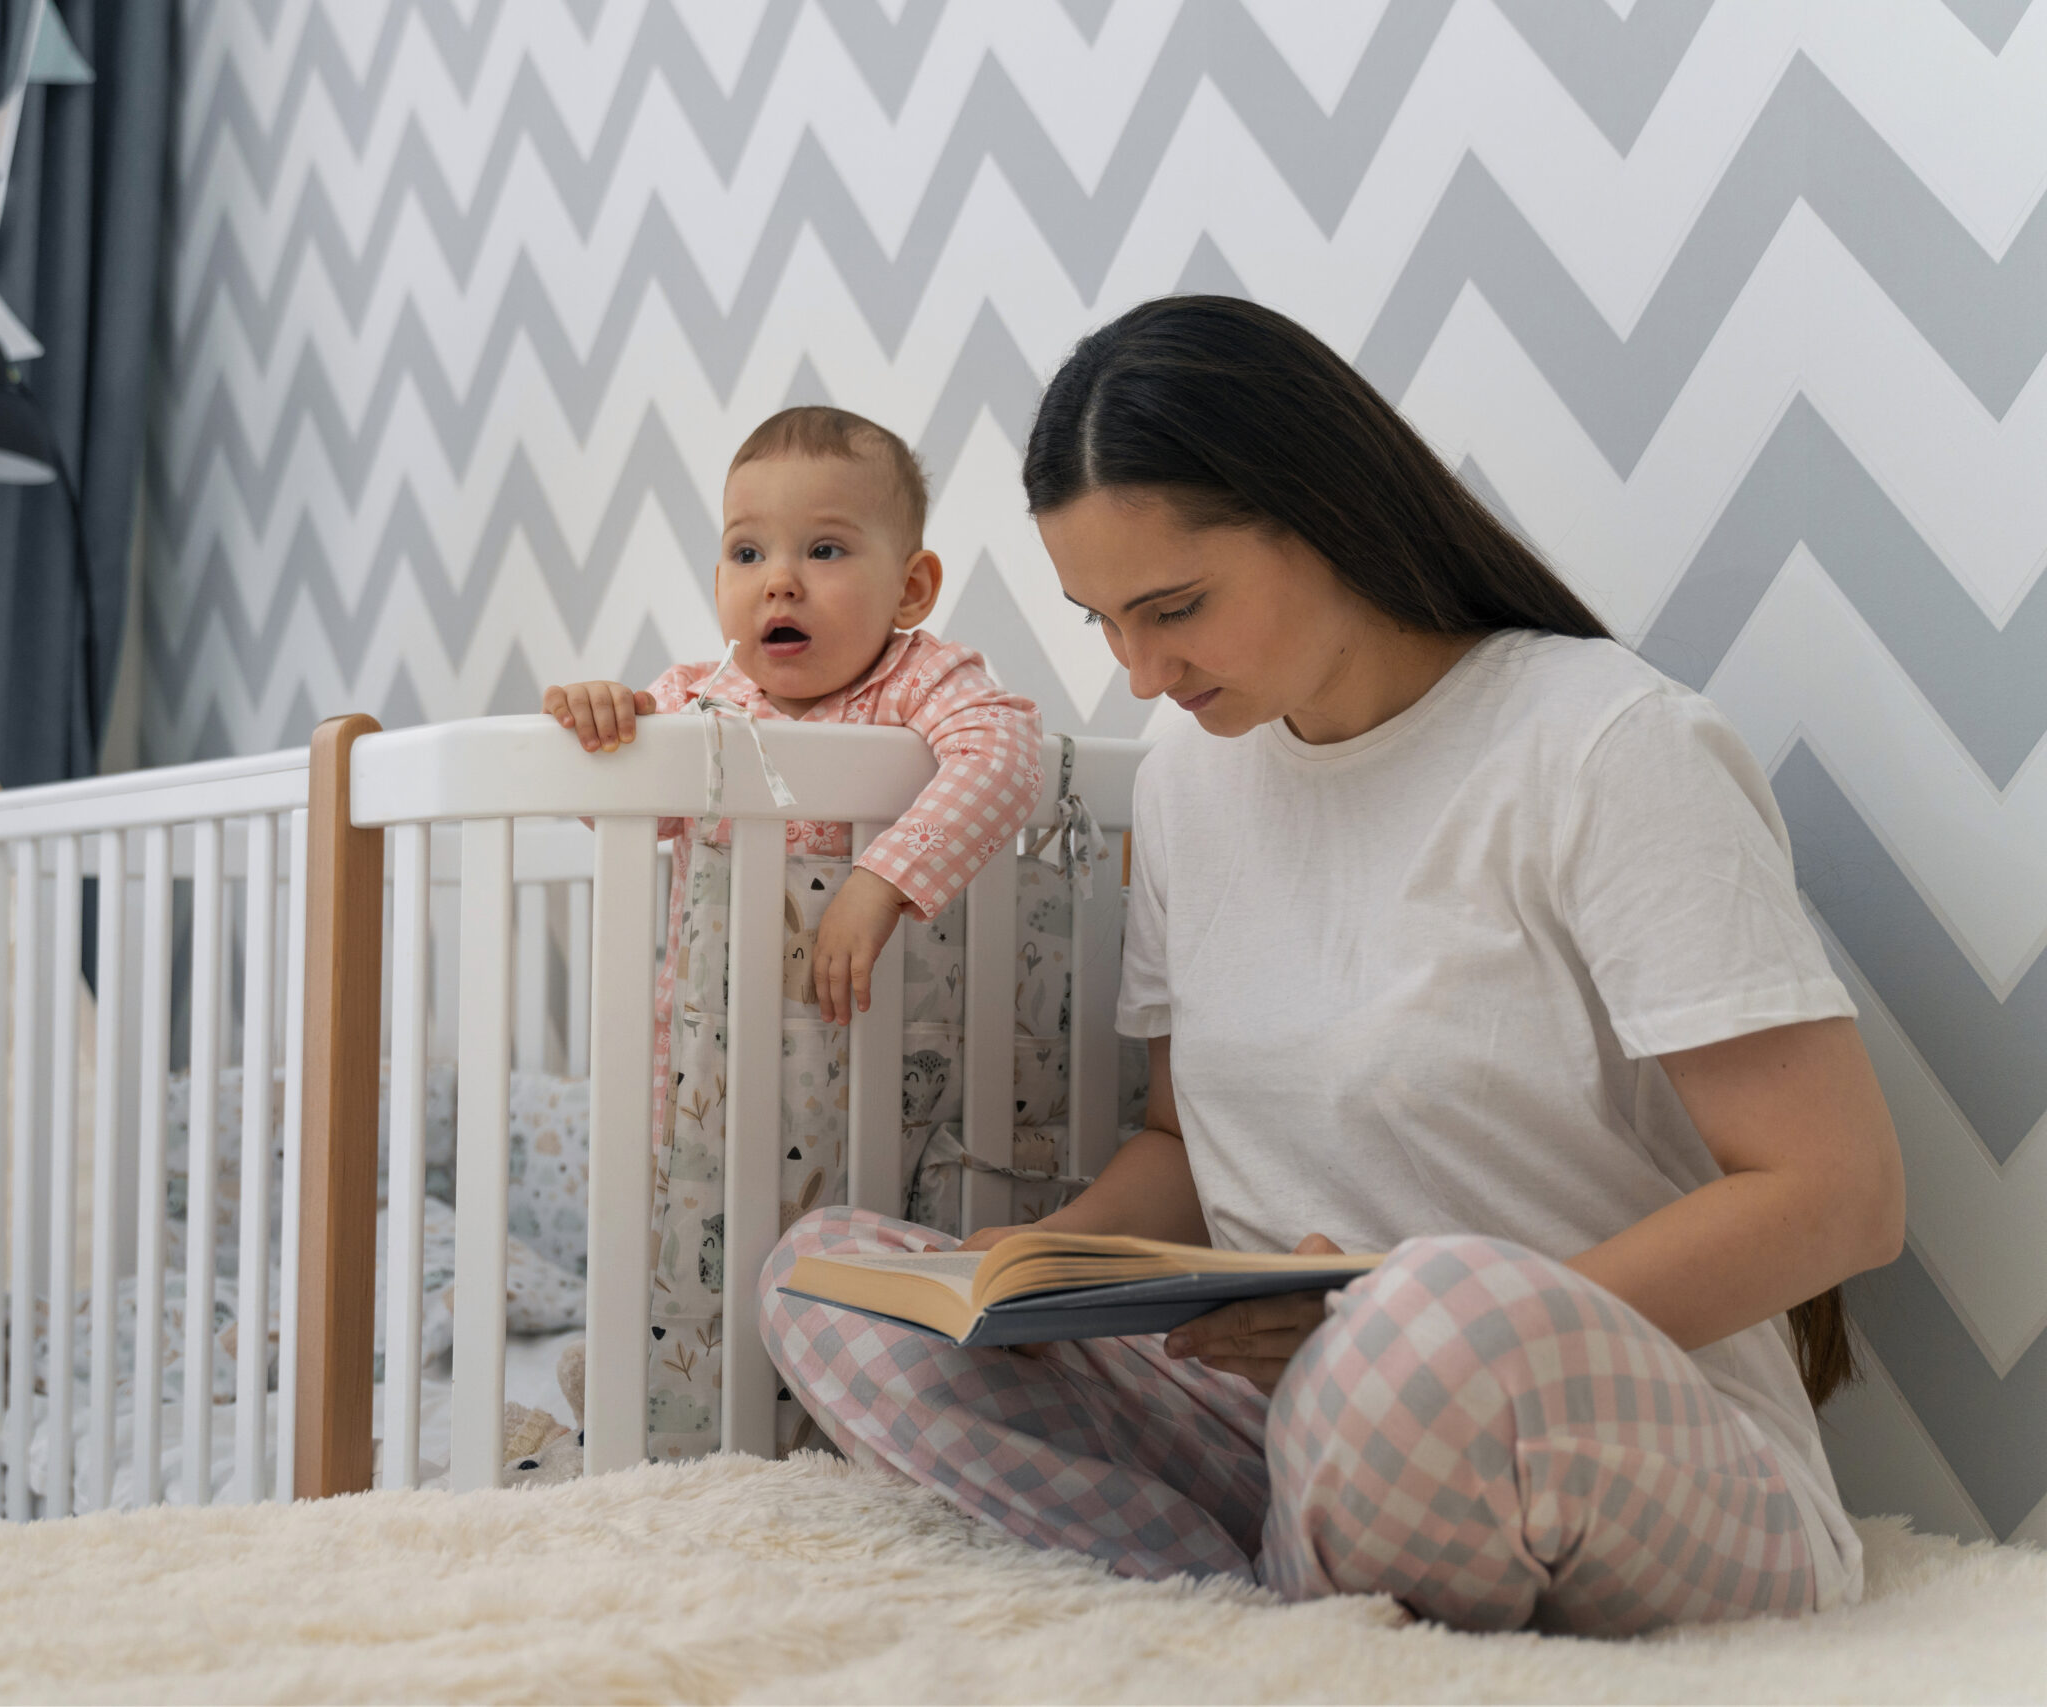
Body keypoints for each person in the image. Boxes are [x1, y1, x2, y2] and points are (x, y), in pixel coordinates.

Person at [757, 298, 1906, 1635]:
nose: (1142, 673)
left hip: (1617, 1442)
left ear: (1326, 513)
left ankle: (1310, 1579)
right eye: (1103, 623)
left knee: (1418, 1326)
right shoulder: (1188, 780)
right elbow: (1180, 1141)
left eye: (1175, 608)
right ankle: (1262, 1598)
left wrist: (1397, 1333)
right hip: (1296, 1423)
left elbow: (1840, 1196)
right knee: (824, 1276)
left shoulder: (1606, 745)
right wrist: (1044, 1261)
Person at [545, 405, 1043, 1455]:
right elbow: (620, 808)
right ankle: (689, 1417)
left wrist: (881, 880)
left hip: (886, 1068)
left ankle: (863, 1430)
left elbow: (1004, 759)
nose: (779, 580)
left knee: (872, 1237)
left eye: (824, 550)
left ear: (911, 587)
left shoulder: (922, 681)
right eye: (747, 552)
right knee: (708, 1240)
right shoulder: (698, 701)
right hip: (719, 1081)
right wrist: (604, 723)